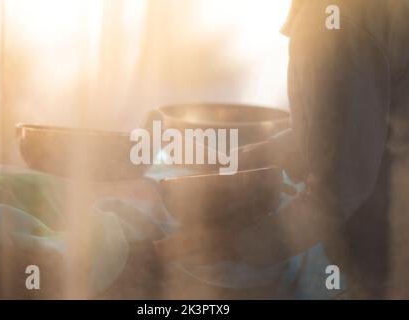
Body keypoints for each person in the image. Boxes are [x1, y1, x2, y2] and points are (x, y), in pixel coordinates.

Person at [156, 0, 409, 299]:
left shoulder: (334, 23)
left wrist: (230, 244)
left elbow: (338, 190)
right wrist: (242, 160)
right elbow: (326, 135)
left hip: (392, 254)